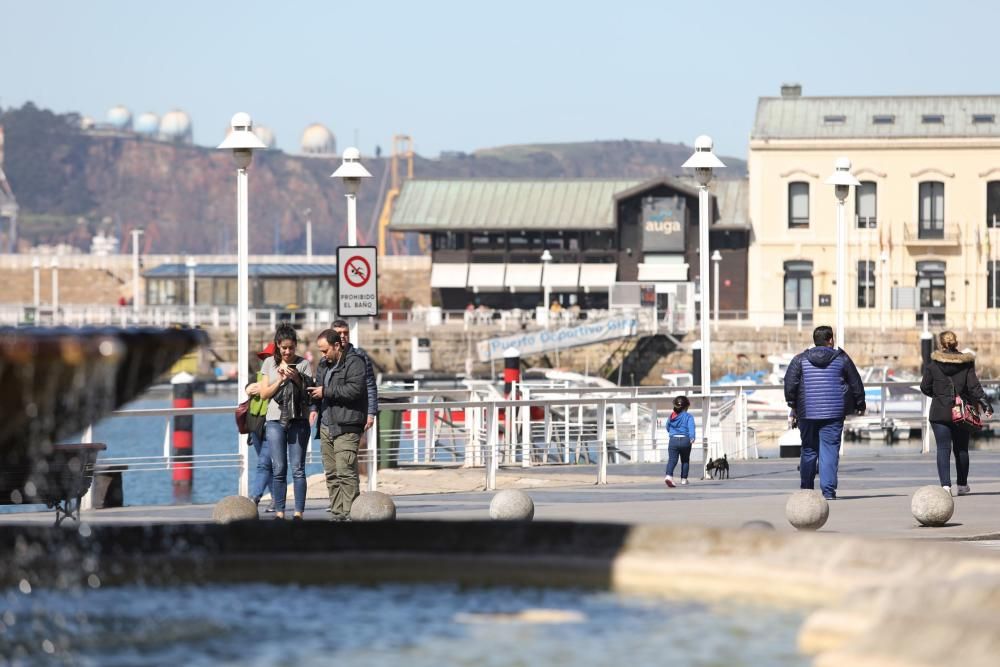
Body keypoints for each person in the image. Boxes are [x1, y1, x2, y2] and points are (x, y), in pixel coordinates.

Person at [784, 325, 866, 500]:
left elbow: (790, 384)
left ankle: (806, 489)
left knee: (808, 450)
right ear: (830, 340)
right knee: (829, 451)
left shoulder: (800, 360)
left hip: (807, 413)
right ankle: (828, 492)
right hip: (834, 412)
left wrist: (793, 404)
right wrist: (860, 404)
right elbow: (855, 382)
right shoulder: (842, 359)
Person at [920, 331, 993, 496]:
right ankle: (962, 485)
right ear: (956, 343)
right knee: (962, 449)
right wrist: (986, 405)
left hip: (939, 412)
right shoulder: (966, 364)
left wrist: (939, 396)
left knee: (943, 449)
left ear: (941, 344)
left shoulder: (933, 365)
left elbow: (925, 387)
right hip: (961, 412)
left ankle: (946, 486)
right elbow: (974, 387)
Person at [256, 323, 313, 520]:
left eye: (291, 347)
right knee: (279, 468)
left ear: (296, 345)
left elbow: (309, 392)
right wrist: (279, 380)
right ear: (277, 346)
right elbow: (264, 394)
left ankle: (298, 513)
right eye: (284, 348)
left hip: (298, 420)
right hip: (274, 420)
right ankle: (279, 512)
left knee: (298, 468)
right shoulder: (269, 364)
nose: (288, 351)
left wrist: (296, 377)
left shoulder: (303, 364)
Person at [310, 329, 368, 521]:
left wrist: (326, 391)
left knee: (346, 472)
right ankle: (337, 515)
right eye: (320, 351)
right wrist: (312, 405)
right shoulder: (323, 365)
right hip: (326, 425)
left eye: (325, 350)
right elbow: (317, 390)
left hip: (347, 425)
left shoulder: (355, 362)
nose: (323, 355)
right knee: (332, 474)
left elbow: (355, 390)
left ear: (337, 345)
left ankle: (352, 515)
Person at [244, 341, 276, 512]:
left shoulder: (280, 377)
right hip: (255, 427)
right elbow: (248, 389)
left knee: (264, 463)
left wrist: (264, 387)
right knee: (267, 465)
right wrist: (256, 387)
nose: (266, 360)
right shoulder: (256, 376)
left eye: (269, 357)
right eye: (264, 357)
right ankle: (276, 500)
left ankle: (254, 498)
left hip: (272, 425)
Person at [664, 395, 695, 487]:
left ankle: (669, 476)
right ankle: (684, 479)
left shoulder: (671, 416)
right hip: (685, 440)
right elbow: (691, 428)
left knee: (672, 460)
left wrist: (673, 433)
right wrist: (692, 437)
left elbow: (667, 427)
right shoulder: (688, 416)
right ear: (686, 407)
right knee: (685, 460)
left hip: (673, 440)